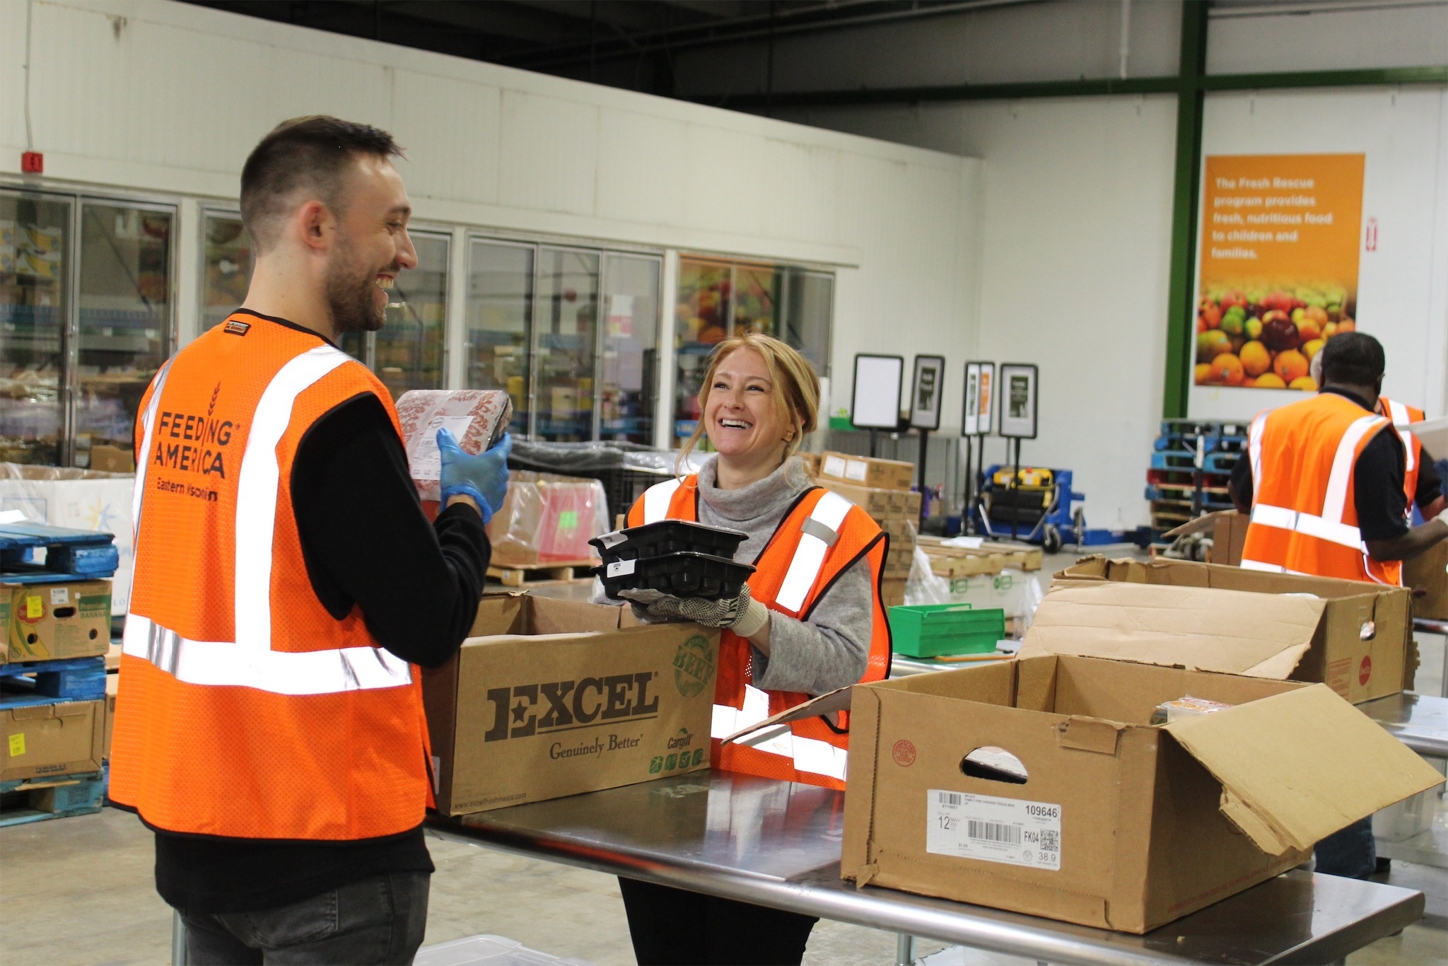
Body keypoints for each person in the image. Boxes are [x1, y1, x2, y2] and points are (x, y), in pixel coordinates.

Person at [108, 117, 512, 966]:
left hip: (196, 838)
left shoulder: (176, 383)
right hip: (324, 847)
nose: (408, 255)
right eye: (394, 223)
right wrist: (469, 513)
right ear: (317, 225)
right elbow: (429, 622)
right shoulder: (331, 402)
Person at [606, 332, 891, 966]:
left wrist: (747, 617)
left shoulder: (836, 528)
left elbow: (845, 662)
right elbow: (604, 632)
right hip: (656, 789)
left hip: (782, 816)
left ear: (795, 418)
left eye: (756, 389)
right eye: (722, 386)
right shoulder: (655, 507)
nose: (732, 402)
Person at [1230, 331, 1448, 879]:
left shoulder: (1269, 424)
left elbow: (1244, 499)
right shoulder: (1374, 435)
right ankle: (1349, 885)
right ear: (1377, 382)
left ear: (1320, 371)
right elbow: (1387, 542)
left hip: (1262, 605)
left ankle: (1254, 867)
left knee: (1266, 737)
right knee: (1335, 751)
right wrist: (1443, 526)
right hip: (1340, 614)